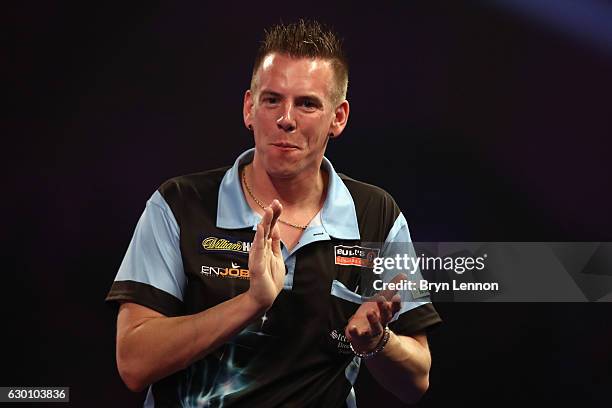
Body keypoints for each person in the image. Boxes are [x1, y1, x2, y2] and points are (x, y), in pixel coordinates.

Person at [106, 19, 441, 407]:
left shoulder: (376, 214)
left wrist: (379, 341)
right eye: (272, 100)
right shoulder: (179, 204)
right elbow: (133, 362)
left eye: (307, 103)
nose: (286, 118)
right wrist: (251, 303)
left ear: (339, 117)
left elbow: (416, 380)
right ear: (250, 108)